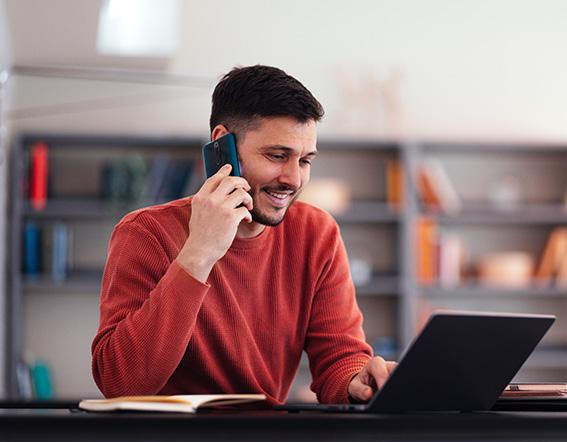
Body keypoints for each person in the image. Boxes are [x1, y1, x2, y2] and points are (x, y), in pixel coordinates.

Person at [92, 65, 396, 404]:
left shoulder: (317, 234)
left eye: (305, 161)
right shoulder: (145, 233)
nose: (294, 179)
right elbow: (119, 382)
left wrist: (357, 381)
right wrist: (199, 252)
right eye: (277, 156)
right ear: (224, 144)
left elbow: (339, 360)